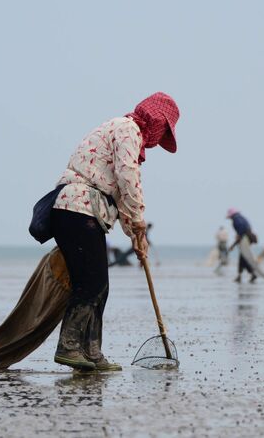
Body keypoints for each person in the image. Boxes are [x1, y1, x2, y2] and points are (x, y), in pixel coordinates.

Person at [49, 92, 179, 372]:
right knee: (91, 282)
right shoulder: (128, 130)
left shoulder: (122, 130)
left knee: (100, 286)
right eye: (163, 131)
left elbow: (118, 195)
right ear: (156, 121)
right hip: (77, 209)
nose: (158, 141)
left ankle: (92, 352)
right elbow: (128, 178)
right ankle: (69, 348)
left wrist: (135, 235)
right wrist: (140, 222)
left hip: (84, 212)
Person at [227, 209, 258, 283]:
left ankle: (250, 274)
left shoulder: (236, 220)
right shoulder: (241, 218)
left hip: (244, 239)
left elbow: (241, 232)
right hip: (247, 238)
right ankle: (243, 275)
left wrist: (234, 245)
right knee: (243, 258)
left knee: (243, 258)